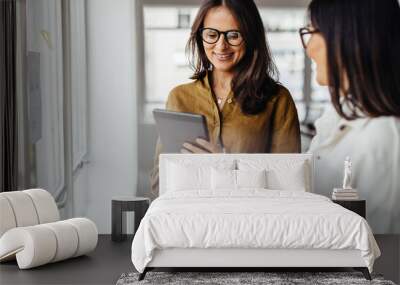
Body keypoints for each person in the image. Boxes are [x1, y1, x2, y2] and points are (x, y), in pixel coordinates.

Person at [150, 0, 301, 197]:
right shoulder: (179, 97)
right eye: (212, 35)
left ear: (251, 36)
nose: (221, 46)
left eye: (233, 35)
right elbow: (160, 181)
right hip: (189, 218)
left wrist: (225, 164)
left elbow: (290, 186)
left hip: (251, 221)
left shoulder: (278, 100)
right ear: (200, 37)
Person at [301, 0, 400, 233]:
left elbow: (381, 251)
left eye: (315, 32)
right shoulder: (339, 118)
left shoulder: (384, 138)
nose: (309, 47)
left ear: (352, 40)